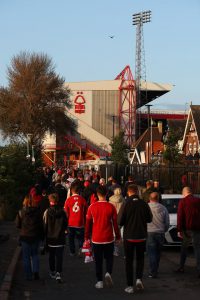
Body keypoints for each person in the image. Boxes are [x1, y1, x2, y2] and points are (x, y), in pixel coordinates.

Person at [85, 185, 121, 289]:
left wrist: (86, 237)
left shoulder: (92, 207)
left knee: (98, 261)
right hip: (108, 237)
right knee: (109, 258)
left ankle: (99, 281)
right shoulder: (111, 207)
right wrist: (118, 237)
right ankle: (108, 273)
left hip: (96, 238)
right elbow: (115, 224)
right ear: (106, 194)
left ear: (97, 194)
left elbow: (88, 224)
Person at [118, 184, 152, 293]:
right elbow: (149, 219)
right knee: (140, 259)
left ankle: (129, 285)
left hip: (129, 236)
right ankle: (138, 279)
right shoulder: (144, 203)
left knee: (129, 261)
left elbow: (120, 221)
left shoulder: (126, 203)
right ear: (137, 191)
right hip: (141, 235)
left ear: (128, 192)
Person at [15, 195, 44, 280]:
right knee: (35, 254)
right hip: (35, 236)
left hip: (25, 236)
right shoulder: (38, 212)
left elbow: (17, 224)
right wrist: (42, 236)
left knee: (26, 256)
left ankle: (28, 275)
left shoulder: (21, 212)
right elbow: (41, 225)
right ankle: (35, 271)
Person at [43, 193, 68, 282]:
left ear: (50, 201)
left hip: (50, 237)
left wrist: (44, 237)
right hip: (60, 237)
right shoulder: (63, 211)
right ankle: (58, 272)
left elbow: (45, 225)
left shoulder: (47, 211)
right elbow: (65, 224)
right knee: (59, 256)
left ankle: (52, 271)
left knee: (51, 256)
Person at [177, 186, 200, 277]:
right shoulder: (198, 201)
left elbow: (180, 216)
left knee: (184, 248)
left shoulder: (183, 201)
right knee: (197, 249)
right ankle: (199, 269)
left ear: (184, 193)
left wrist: (179, 229)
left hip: (187, 229)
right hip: (198, 229)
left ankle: (181, 267)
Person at [147, 192, 169, 278]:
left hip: (150, 232)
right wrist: (164, 230)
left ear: (149, 198)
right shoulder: (163, 208)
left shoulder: (147, 207)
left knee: (152, 252)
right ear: (158, 198)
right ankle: (155, 269)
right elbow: (167, 222)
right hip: (160, 232)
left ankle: (153, 271)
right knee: (158, 253)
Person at [64, 181, 88, 256]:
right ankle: (80, 249)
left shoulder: (68, 200)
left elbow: (66, 213)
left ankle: (72, 251)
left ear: (71, 191)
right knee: (80, 238)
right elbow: (86, 212)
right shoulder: (82, 199)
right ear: (79, 191)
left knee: (71, 238)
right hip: (80, 222)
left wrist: (65, 224)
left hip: (71, 222)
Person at [109, 187, 125, 256]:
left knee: (112, 234)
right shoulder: (123, 200)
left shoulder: (111, 200)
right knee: (118, 235)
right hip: (120, 219)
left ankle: (112, 249)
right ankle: (116, 250)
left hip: (112, 218)